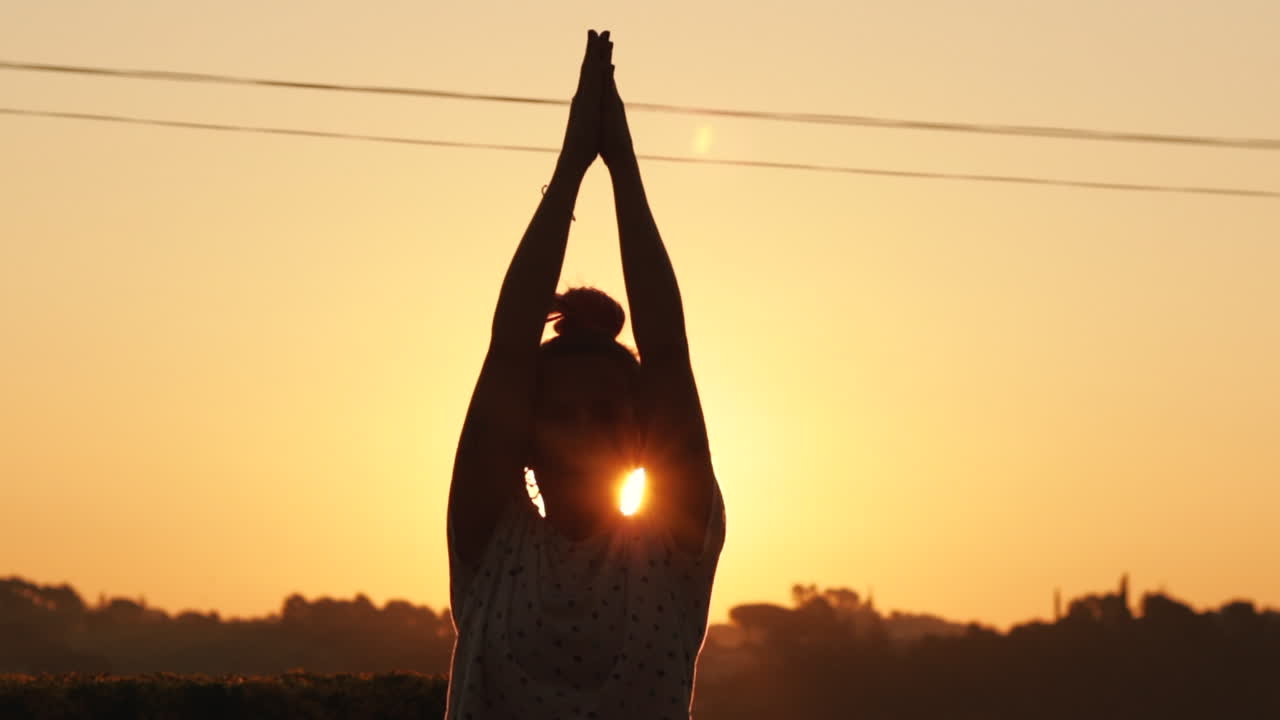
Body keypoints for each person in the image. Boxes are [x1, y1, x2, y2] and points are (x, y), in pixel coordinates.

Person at [444, 29, 726, 720]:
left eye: (605, 415)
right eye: (562, 416)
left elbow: (669, 354)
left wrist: (623, 167)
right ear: (529, 440)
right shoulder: (492, 542)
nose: (582, 435)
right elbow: (509, 346)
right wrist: (571, 165)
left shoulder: (674, 549)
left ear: (641, 440)